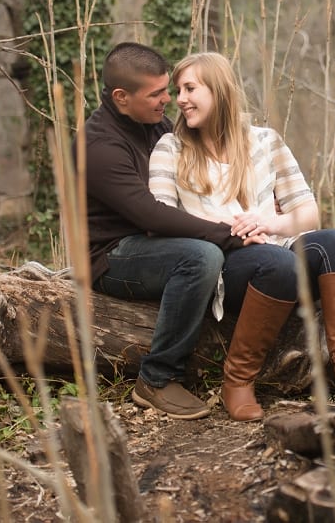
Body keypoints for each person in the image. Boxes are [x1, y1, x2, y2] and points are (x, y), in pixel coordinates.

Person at [148, 52, 335, 421]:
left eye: (190, 88)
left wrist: (268, 223)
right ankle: (237, 382)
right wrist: (227, 233)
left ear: (219, 91)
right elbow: (162, 219)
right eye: (178, 90)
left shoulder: (265, 141)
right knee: (277, 263)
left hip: (274, 249)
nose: (181, 99)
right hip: (225, 265)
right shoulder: (172, 149)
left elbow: (307, 213)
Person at [81, 42, 254, 420]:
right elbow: (152, 216)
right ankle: (157, 378)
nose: (170, 101)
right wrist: (225, 233)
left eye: (169, 90)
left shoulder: (154, 124)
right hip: (112, 257)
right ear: (121, 97)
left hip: (157, 244)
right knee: (201, 256)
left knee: (220, 251)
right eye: (157, 93)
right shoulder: (99, 147)